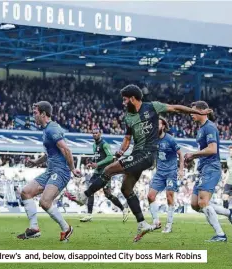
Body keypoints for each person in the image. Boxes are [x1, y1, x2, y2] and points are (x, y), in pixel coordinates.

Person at [67, 85, 214, 242]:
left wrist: (198, 112)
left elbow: (175, 108)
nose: (123, 103)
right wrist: (121, 151)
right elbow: (127, 139)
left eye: (125, 99)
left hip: (147, 154)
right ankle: (142, 223)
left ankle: (84, 196)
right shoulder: (128, 117)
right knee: (126, 189)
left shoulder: (152, 107)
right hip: (136, 154)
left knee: (109, 169)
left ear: (132, 98)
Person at [17, 101, 81, 242]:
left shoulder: (52, 129)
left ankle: (66, 228)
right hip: (50, 171)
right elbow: (49, 154)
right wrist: (36, 162)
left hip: (61, 171)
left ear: (43, 114)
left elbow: (66, 149)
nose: (33, 116)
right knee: (26, 192)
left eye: (35, 113)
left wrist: (72, 169)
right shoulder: (46, 130)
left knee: (45, 202)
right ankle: (34, 229)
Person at [184, 101, 232, 242]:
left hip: (211, 167)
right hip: (203, 168)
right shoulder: (201, 129)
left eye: (193, 111)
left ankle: (220, 235)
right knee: (194, 204)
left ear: (203, 112)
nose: (191, 114)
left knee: (204, 201)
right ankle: (228, 212)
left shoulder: (210, 127)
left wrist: (193, 154)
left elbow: (212, 149)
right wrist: (192, 158)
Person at [67, 128, 129, 223]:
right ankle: (89, 214)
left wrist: (98, 164)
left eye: (96, 133)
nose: (94, 134)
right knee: (90, 189)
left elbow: (109, 157)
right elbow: (97, 158)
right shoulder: (94, 145)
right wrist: (92, 164)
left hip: (105, 172)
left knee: (108, 194)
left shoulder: (104, 144)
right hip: (97, 172)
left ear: (100, 133)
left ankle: (123, 209)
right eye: (93, 133)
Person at [147, 117, 184, 233]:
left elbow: (180, 154)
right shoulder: (153, 139)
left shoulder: (170, 140)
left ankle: (169, 225)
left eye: (158, 124)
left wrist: (181, 169)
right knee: (150, 196)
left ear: (163, 126)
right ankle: (156, 222)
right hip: (159, 173)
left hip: (171, 172)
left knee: (169, 196)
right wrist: (152, 164)